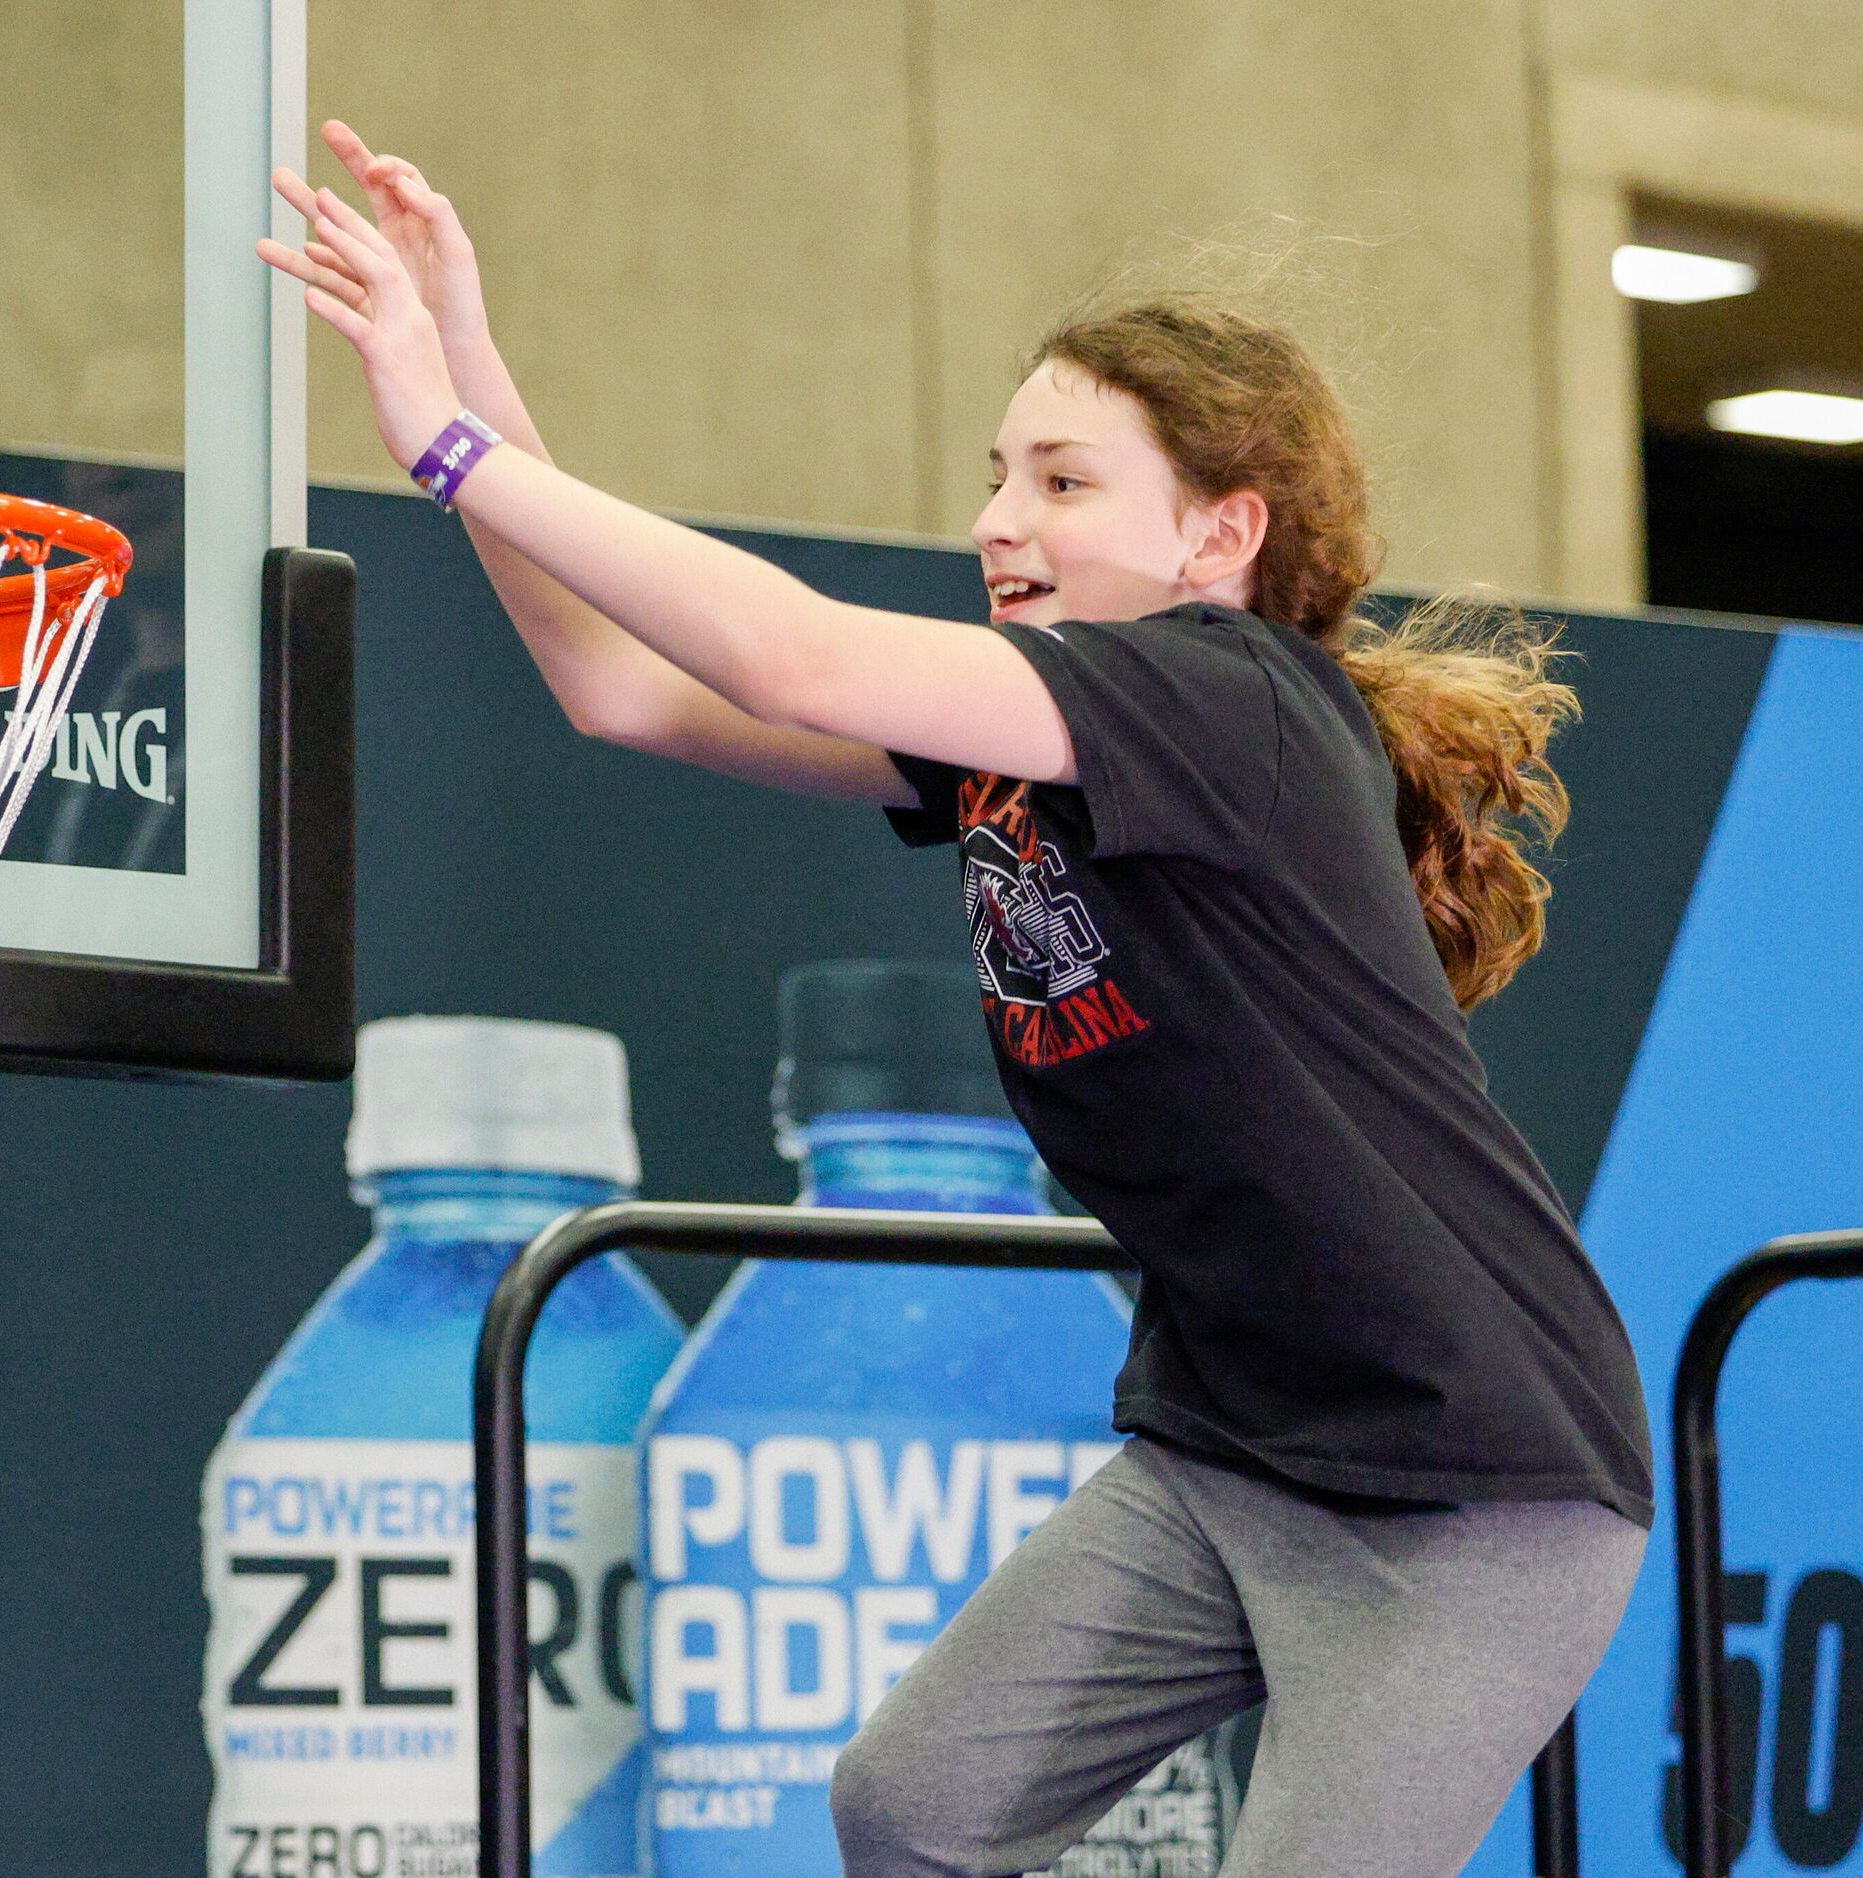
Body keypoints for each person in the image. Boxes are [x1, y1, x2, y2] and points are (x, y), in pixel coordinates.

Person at [261, 121, 1654, 1878]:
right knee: (912, 1807)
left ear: (1223, 533)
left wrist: (448, 447)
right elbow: (629, 689)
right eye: (996, 474)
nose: (999, 518)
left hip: (1473, 1490)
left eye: (1063, 482)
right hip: (1233, 1447)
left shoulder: (1231, 698)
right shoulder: (1030, 742)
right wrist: (473, 361)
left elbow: (789, 647)